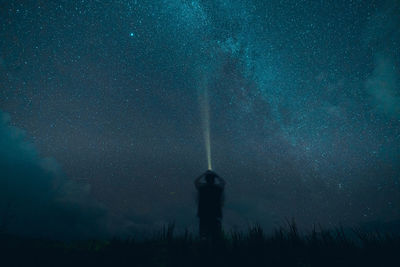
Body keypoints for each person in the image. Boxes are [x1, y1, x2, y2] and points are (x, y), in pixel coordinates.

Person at [194, 170, 225, 240]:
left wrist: (204, 173)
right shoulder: (217, 188)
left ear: (206, 180)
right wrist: (216, 174)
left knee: (203, 235)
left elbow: (196, 182)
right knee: (216, 236)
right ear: (214, 180)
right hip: (215, 215)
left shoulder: (202, 188)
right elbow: (223, 183)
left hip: (203, 215)